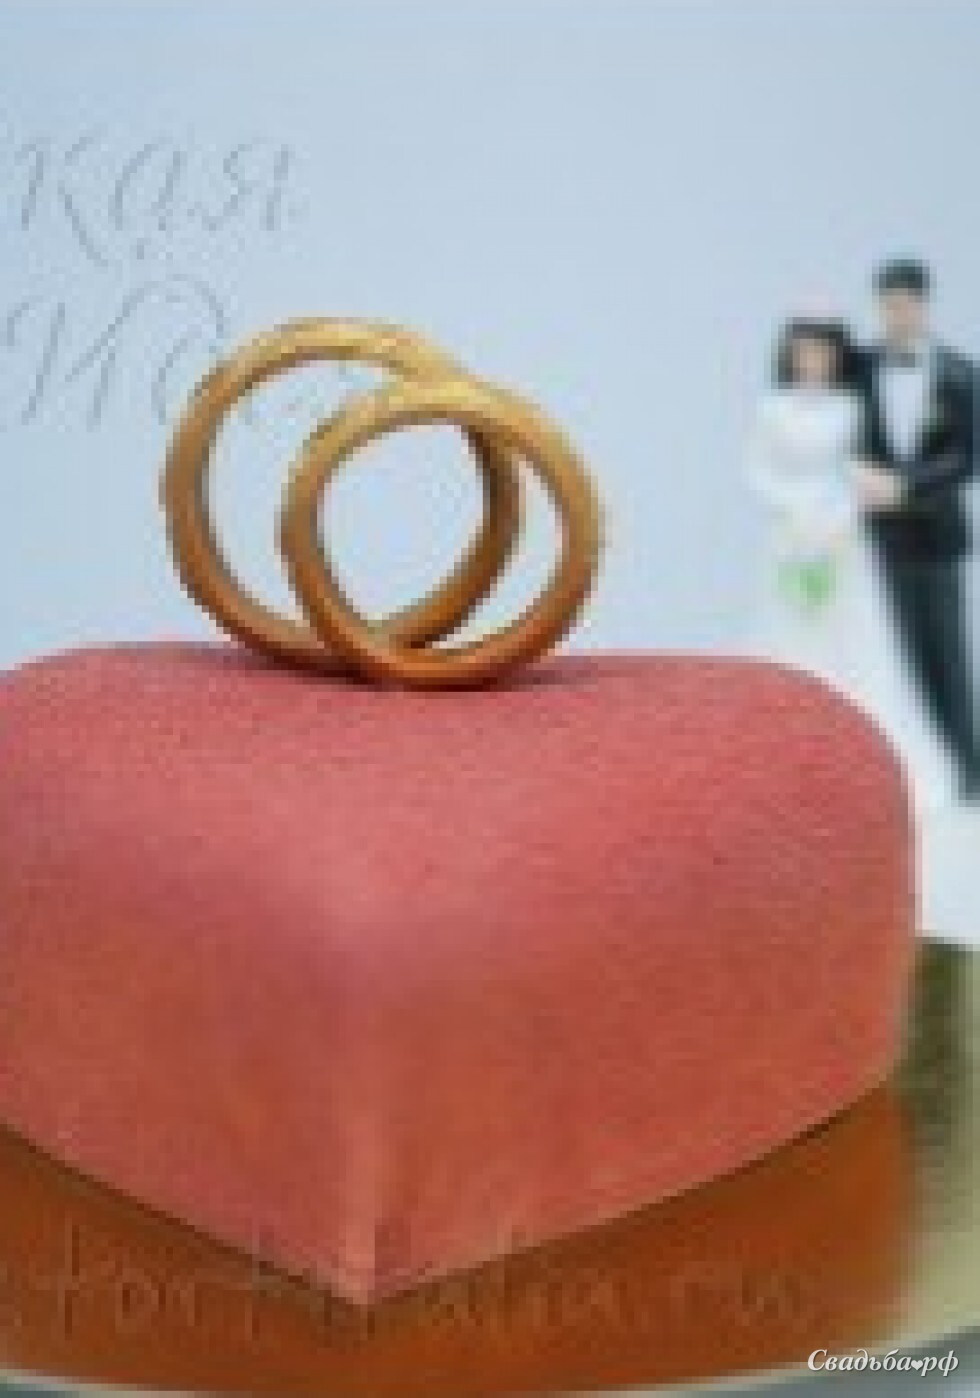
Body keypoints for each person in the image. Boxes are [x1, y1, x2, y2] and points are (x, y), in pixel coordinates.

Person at [748, 315, 955, 808]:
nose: (812, 360)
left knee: (855, 632)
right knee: (791, 629)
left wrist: (840, 511)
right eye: (803, 351)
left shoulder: (852, 407)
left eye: (821, 351)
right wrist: (794, 508)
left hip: (841, 533)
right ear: (790, 355)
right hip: (791, 535)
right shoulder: (771, 407)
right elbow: (757, 469)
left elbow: (859, 469)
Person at [855, 259, 980, 802]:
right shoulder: (860, 370)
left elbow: (968, 457)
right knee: (895, 657)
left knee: (948, 654)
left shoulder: (960, 373)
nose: (898, 313)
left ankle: (968, 770)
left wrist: (906, 485)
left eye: (907, 303)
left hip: (938, 537)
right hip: (880, 539)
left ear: (923, 305)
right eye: (889, 304)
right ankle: (913, 772)